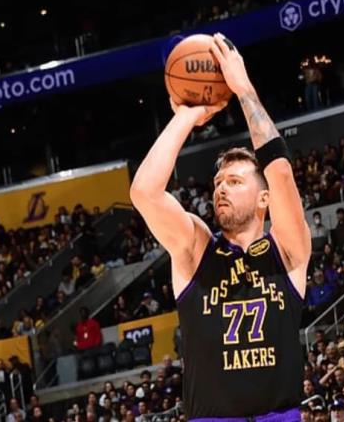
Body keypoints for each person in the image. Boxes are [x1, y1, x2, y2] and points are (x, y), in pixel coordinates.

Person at [131, 33, 310, 421]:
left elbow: (279, 171)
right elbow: (144, 192)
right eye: (217, 183)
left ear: (264, 198)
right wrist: (187, 115)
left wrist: (243, 89)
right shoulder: (197, 248)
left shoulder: (287, 250)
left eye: (235, 181)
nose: (221, 189)